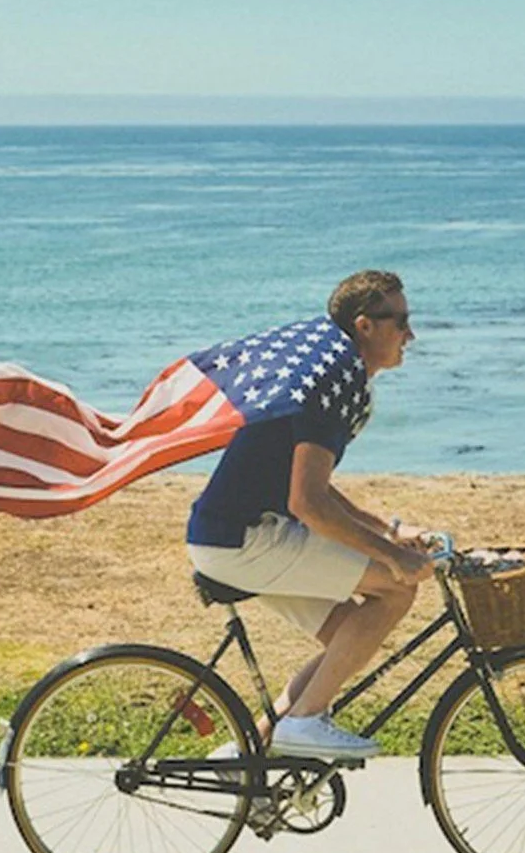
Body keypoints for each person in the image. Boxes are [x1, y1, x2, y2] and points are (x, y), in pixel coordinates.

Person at [184, 270, 433, 760]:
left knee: (349, 635)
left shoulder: (331, 372)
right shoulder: (330, 384)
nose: (411, 334)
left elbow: (315, 490)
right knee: (396, 588)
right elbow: (308, 505)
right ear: (365, 325)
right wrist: (392, 558)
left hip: (234, 535)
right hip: (245, 540)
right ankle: (303, 722)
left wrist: (389, 531)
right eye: (400, 321)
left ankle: (251, 753)